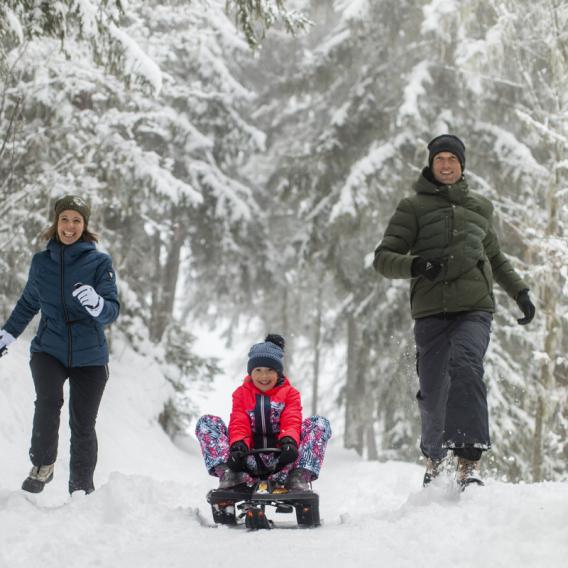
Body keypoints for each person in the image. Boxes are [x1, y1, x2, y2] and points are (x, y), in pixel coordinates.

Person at [373, 134, 535, 489]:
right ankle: (435, 458)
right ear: (431, 165)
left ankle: (468, 462)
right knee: (433, 390)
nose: (446, 165)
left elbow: (495, 257)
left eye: (452, 159)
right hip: (431, 313)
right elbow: (383, 259)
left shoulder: (480, 207)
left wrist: (519, 291)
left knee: (466, 366)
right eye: (439, 159)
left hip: (474, 308)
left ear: (462, 165)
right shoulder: (412, 207)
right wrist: (416, 265)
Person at [0, 195, 120, 495]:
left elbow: (112, 310)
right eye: (65, 219)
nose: (70, 226)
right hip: (49, 348)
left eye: (76, 220)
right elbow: (29, 302)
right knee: (47, 403)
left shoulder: (99, 262)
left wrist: (96, 303)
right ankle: (42, 465)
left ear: (85, 225)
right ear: (56, 222)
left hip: (90, 356)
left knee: (82, 423)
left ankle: (80, 487)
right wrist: (8, 334)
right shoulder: (41, 262)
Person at [195, 334, 332, 493]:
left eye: (270, 370)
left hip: (284, 461)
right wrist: (238, 446)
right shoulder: (241, 394)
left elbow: (291, 419)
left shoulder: (290, 394)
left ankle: (299, 476)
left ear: (278, 372)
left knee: (319, 423)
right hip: (247, 462)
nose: (264, 376)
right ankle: (230, 475)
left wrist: (289, 441)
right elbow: (239, 421)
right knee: (207, 422)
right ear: (250, 372)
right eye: (258, 370)